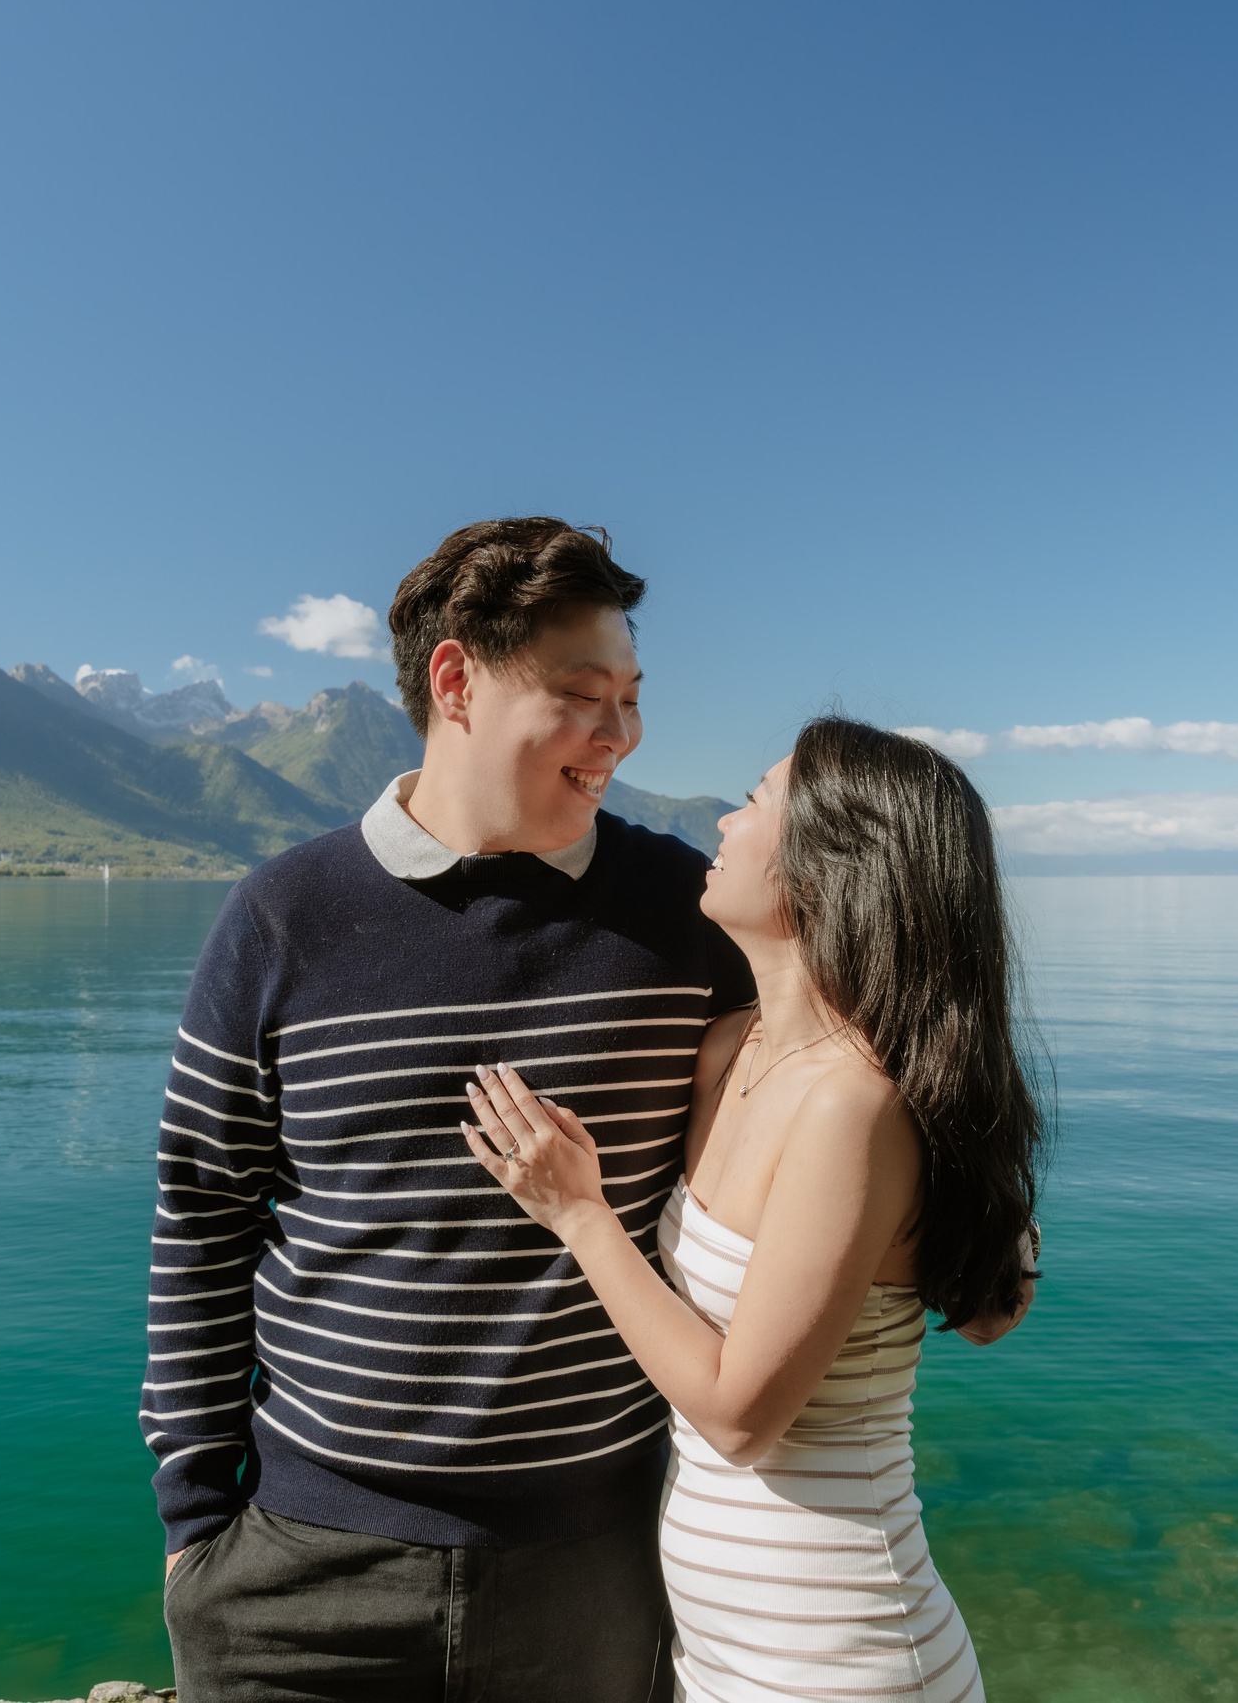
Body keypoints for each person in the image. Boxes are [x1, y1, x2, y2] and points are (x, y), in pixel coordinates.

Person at [145, 517, 756, 1702]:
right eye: (585, 696)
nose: (621, 735)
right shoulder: (282, 914)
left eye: (631, 697)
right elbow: (201, 1217)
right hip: (296, 1573)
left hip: (599, 1562)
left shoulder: (692, 909)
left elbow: (829, 1087)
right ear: (455, 680)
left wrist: (972, 1203)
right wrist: (195, 1520)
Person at [462, 717, 1044, 1703]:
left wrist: (581, 1216)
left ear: (831, 864)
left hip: (842, 1657)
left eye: (757, 798)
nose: (725, 822)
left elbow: (739, 1415)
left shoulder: (852, 1102)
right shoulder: (731, 1046)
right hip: (728, 1651)